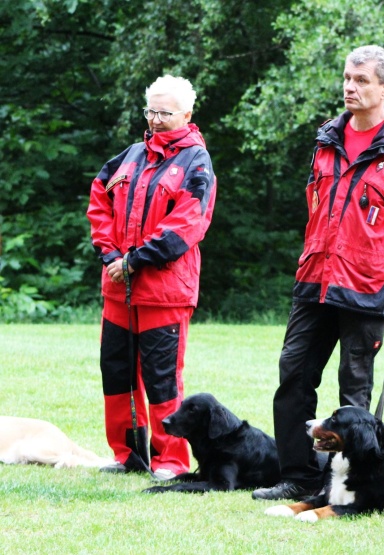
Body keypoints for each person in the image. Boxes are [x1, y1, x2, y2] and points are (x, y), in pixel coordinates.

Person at [252, 45, 384, 501]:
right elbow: (315, 210)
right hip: (315, 279)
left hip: (368, 286)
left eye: (361, 80)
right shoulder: (326, 139)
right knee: (293, 375)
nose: (350, 87)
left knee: (354, 392)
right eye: (347, 79)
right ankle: (298, 476)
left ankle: (351, 486)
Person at [87, 75, 217, 479]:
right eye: (151, 111)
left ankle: (170, 461)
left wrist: (135, 260)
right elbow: (99, 199)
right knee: (117, 373)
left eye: (165, 112)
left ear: (187, 114)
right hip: (118, 287)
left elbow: (187, 224)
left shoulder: (196, 162)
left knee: (162, 379)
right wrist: (111, 254)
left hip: (164, 290)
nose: (156, 119)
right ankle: (128, 455)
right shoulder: (130, 156)